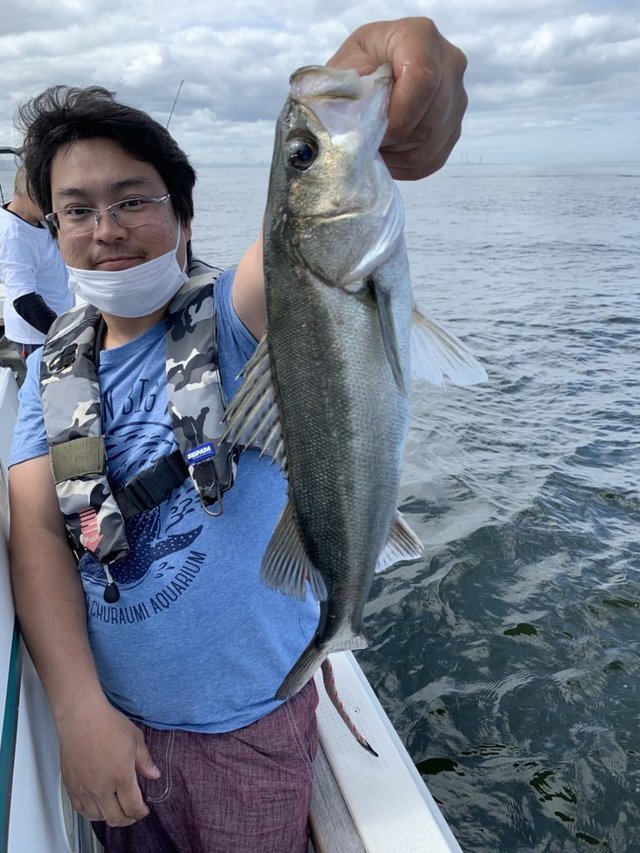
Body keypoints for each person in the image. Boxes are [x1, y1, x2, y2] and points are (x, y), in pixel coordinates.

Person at [8, 16, 467, 853]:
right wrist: (78, 712)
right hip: (121, 730)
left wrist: (383, 64)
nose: (106, 228)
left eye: (133, 199)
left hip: (252, 728)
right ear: (54, 232)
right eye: (77, 210)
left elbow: (304, 232)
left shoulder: (232, 318)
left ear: (183, 216)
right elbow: (38, 532)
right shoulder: (48, 370)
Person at [0, 164, 73, 363]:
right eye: (49, 199)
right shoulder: (14, 236)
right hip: (38, 337)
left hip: (57, 323)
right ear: (30, 194)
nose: (53, 207)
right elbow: (24, 300)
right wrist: (63, 335)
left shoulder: (35, 219)